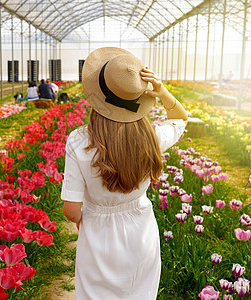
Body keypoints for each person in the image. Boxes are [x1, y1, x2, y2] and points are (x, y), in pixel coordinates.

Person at [61, 47, 188, 299]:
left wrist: (83, 220)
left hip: (97, 232)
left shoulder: (79, 141)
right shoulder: (151, 137)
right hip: (141, 231)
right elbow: (180, 118)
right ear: (140, 99)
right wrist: (162, 91)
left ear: (96, 96)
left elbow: (71, 209)